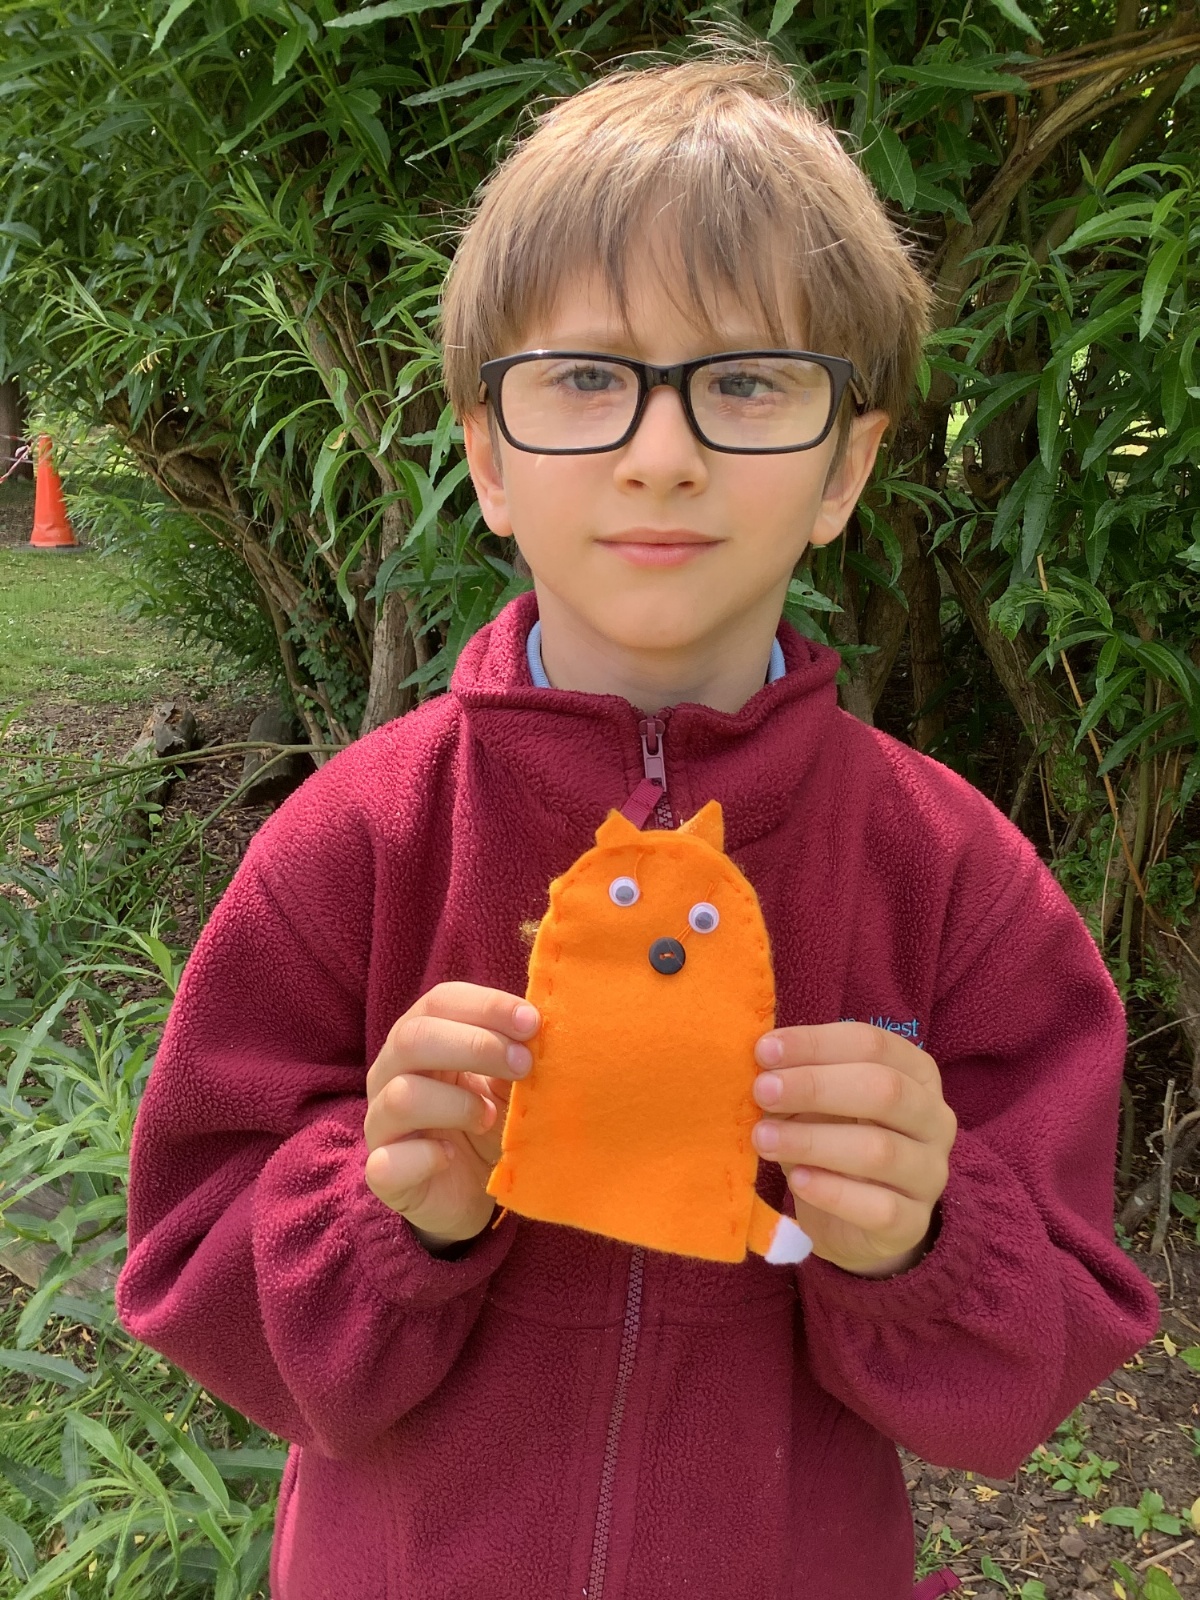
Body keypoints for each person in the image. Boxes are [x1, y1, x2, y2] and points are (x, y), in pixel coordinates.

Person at [116, 46, 1159, 1600]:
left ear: (845, 466)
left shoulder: (952, 877)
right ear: (487, 454)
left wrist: (923, 1238)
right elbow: (193, 1279)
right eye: (587, 380)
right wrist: (390, 1217)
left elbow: (1049, 1345)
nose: (661, 454)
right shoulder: (356, 843)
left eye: (746, 383)